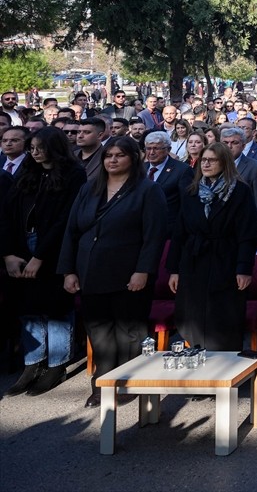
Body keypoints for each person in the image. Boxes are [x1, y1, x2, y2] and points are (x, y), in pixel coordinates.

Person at [58, 136, 166, 408]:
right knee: (99, 331)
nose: (113, 160)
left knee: (129, 331)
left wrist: (143, 270)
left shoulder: (147, 190)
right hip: (91, 271)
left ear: (133, 158)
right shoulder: (88, 189)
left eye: (120, 155)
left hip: (129, 273)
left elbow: (154, 236)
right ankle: (102, 384)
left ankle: (129, 381)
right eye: (108, 155)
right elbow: (71, 231)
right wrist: (68, 270)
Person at [2, 128, 87, 395]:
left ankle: (56, 363)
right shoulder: (27, 172)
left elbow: (66, 219)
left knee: (56, 307)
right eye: (32, 147)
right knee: (28, 306)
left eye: (40, 147)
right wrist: (8, 254)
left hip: (55, 247)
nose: (35, 152)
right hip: (21, 244)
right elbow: (7, 213)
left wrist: (40, 257)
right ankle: (33, 362)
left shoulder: (73, 174)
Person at [167, 142, 257, 352]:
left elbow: (248, 234)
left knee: (223, 320)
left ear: (224, 162)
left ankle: (224, 374)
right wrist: (173, 269)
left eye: (211, 160)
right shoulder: (191, 190)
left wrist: (244, 268)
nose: (206, 164)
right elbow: (180, 232)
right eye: (203, 160)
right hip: (193, 261)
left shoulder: (239, 191)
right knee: (192, 318)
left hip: (225, 260)